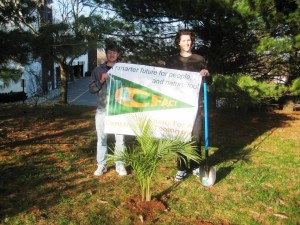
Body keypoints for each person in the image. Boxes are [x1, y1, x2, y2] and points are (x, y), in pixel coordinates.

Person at [165, 29, 212, 182]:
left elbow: (208, 82)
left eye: (189, 40)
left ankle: (196, 165)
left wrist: (207, 75)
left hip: (195, 105)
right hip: (177, 105)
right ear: (178, 42)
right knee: (180, 137)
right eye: (184, 40)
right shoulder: (171, 60)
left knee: (196, 136)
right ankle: (182, 168)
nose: (187, 42)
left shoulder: (199, 59)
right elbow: (164, 80)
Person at [89, 43, 127, 176]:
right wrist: (101, 81)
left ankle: (120, 165)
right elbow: (92, 89)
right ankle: (102, 165)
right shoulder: (98, 70)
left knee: (120, 140)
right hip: (102, 110)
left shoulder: (124, 69)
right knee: (102, 139)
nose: (112, 54)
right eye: (110, 52)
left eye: (114, 52)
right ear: (106, 54)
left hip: (119, 110)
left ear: (118, 54)